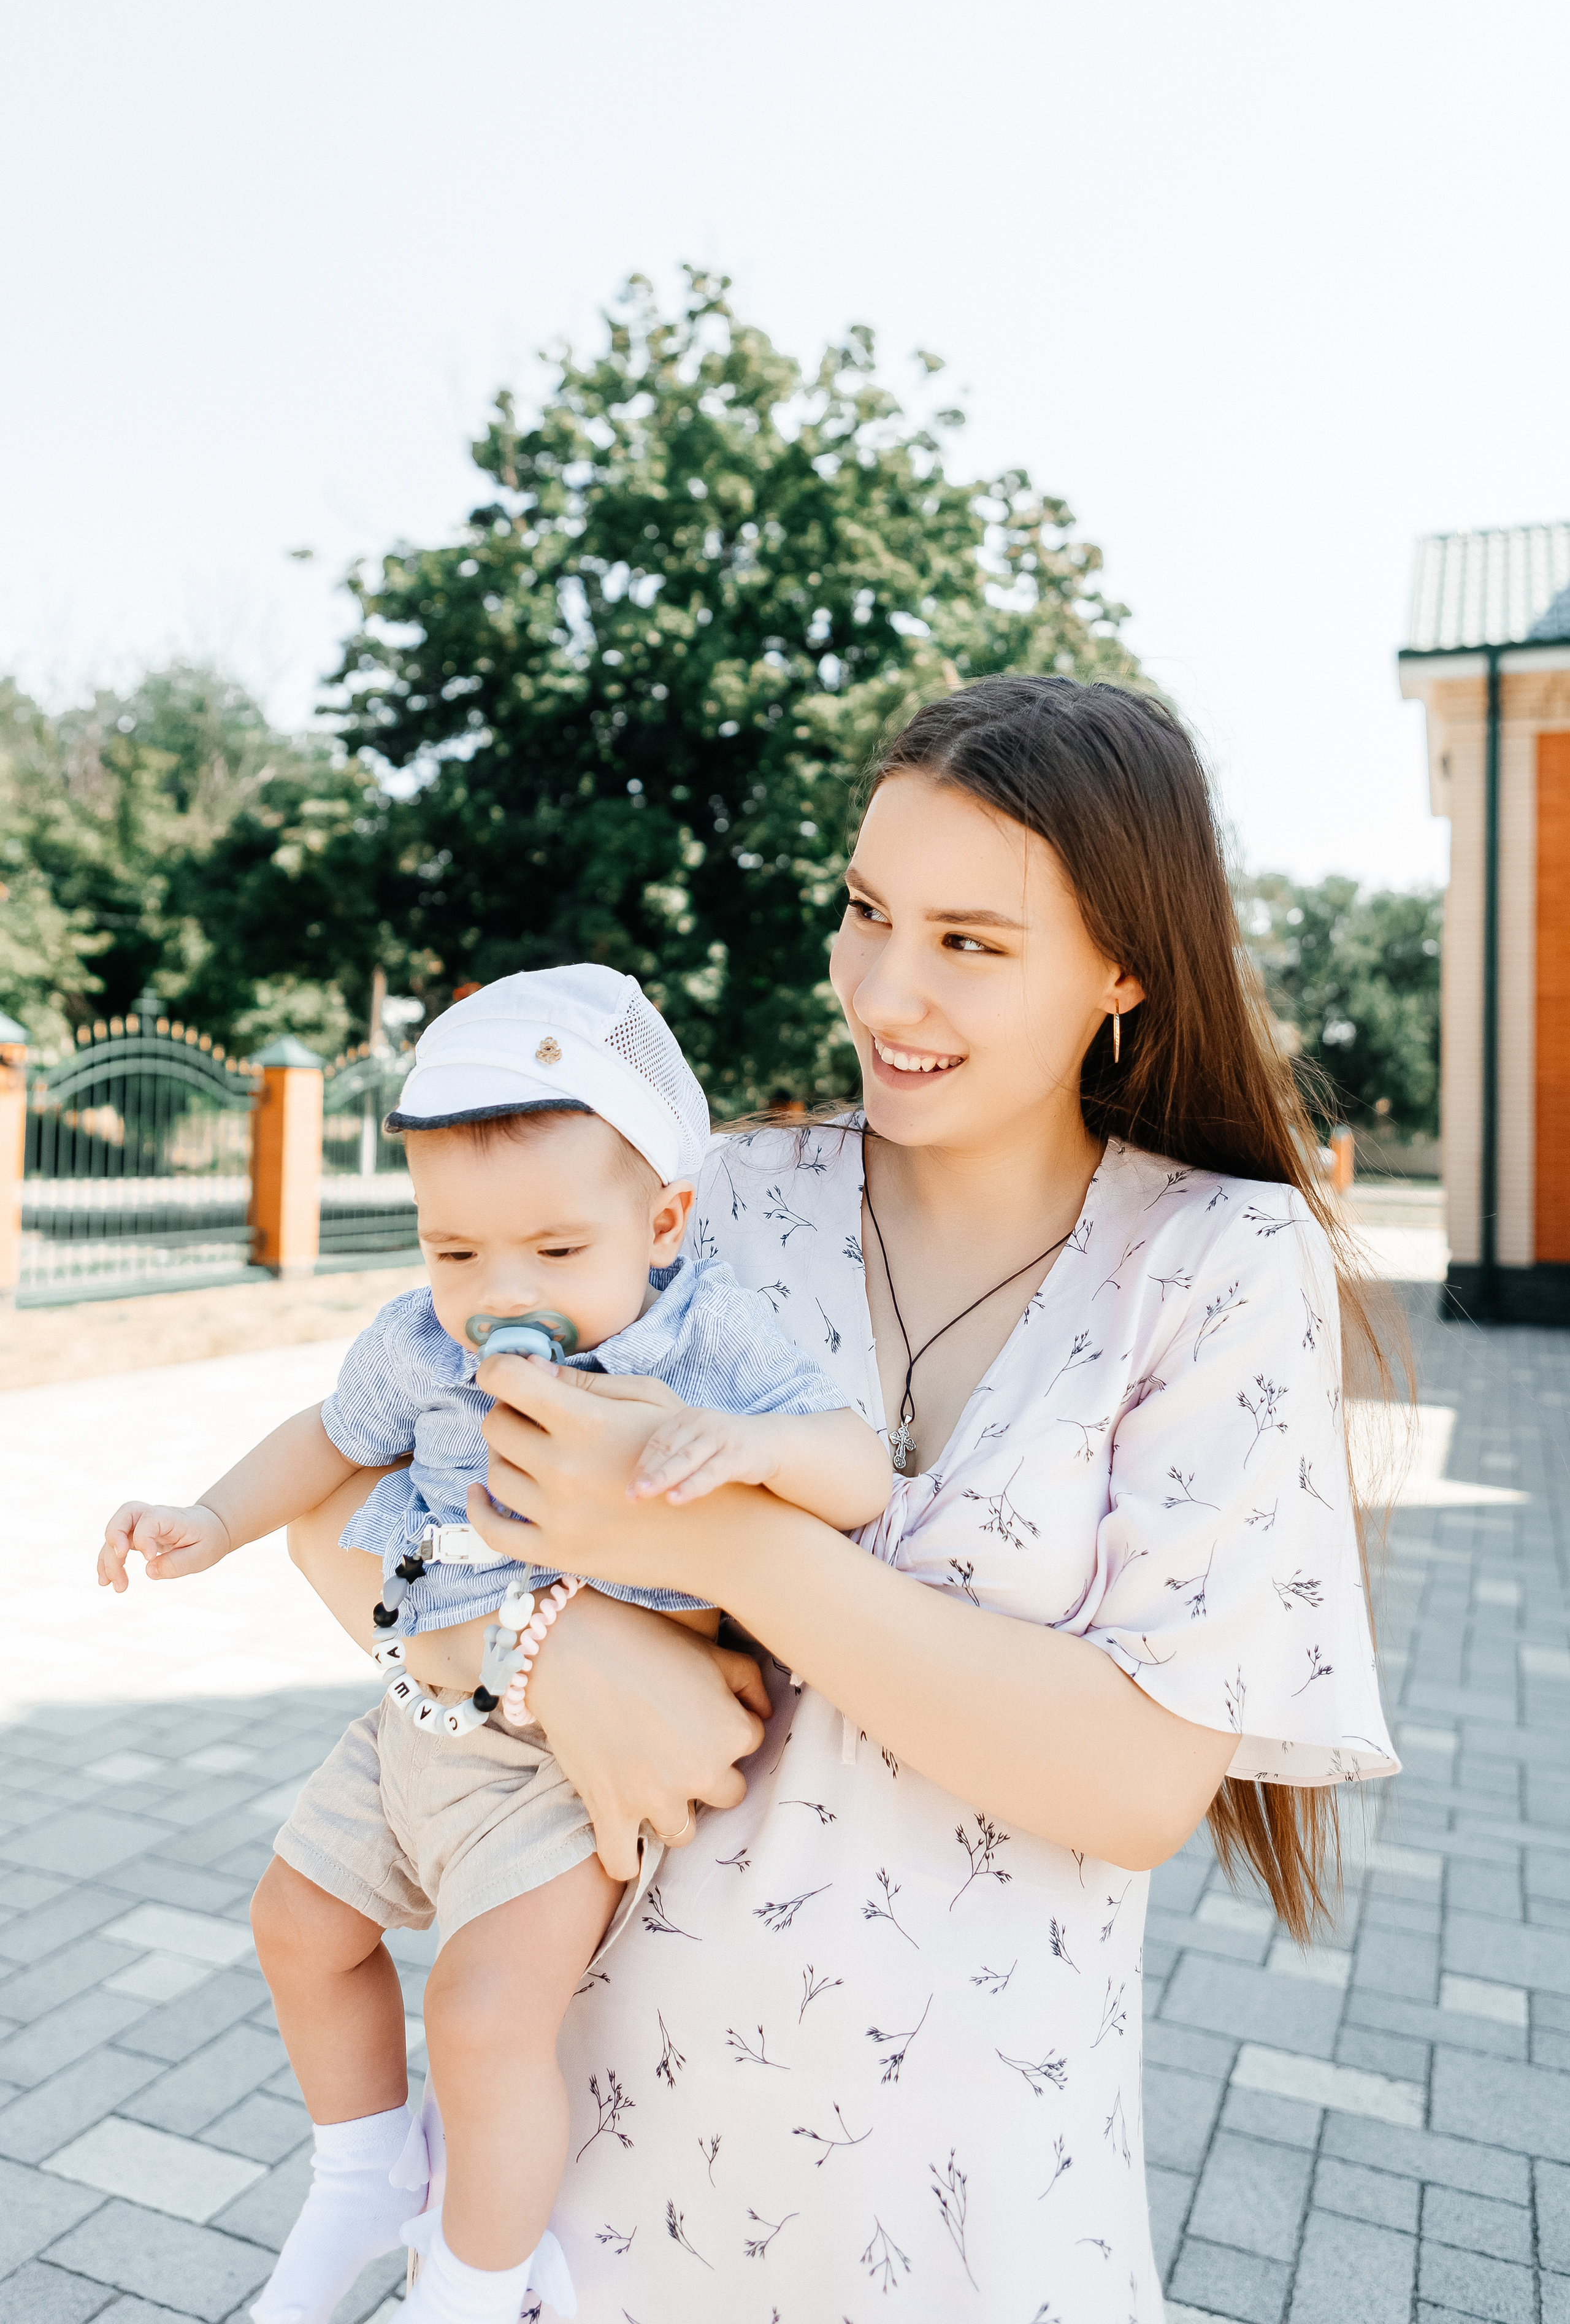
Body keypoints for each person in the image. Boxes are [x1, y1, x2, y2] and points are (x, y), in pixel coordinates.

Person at [288, 674, 1400, 2319]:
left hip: (974, 2201)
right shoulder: (708, 1203)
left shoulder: (1219, 1266)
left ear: (1125, 969)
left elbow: (1136, 1782)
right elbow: (343, 1513)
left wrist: (708, 1534)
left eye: (971, 939)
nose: (884, 988)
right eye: (868, 912)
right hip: (593, 2175)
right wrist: (538, 1650)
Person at [97, 966, 890, 2324]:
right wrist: (211, 1519)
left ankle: (470, 2282)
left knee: (479, 2017)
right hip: (421, 1716)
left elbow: (855, 1467)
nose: (494, 1294)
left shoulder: (704, 1339)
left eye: (552, 1253)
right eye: (454, 1252)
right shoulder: (423, 1340)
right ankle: (356, 2175)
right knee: (294, 1925)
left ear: (662, 1220)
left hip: (561, 1774)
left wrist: (753, 1449)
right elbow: (330, 1442)